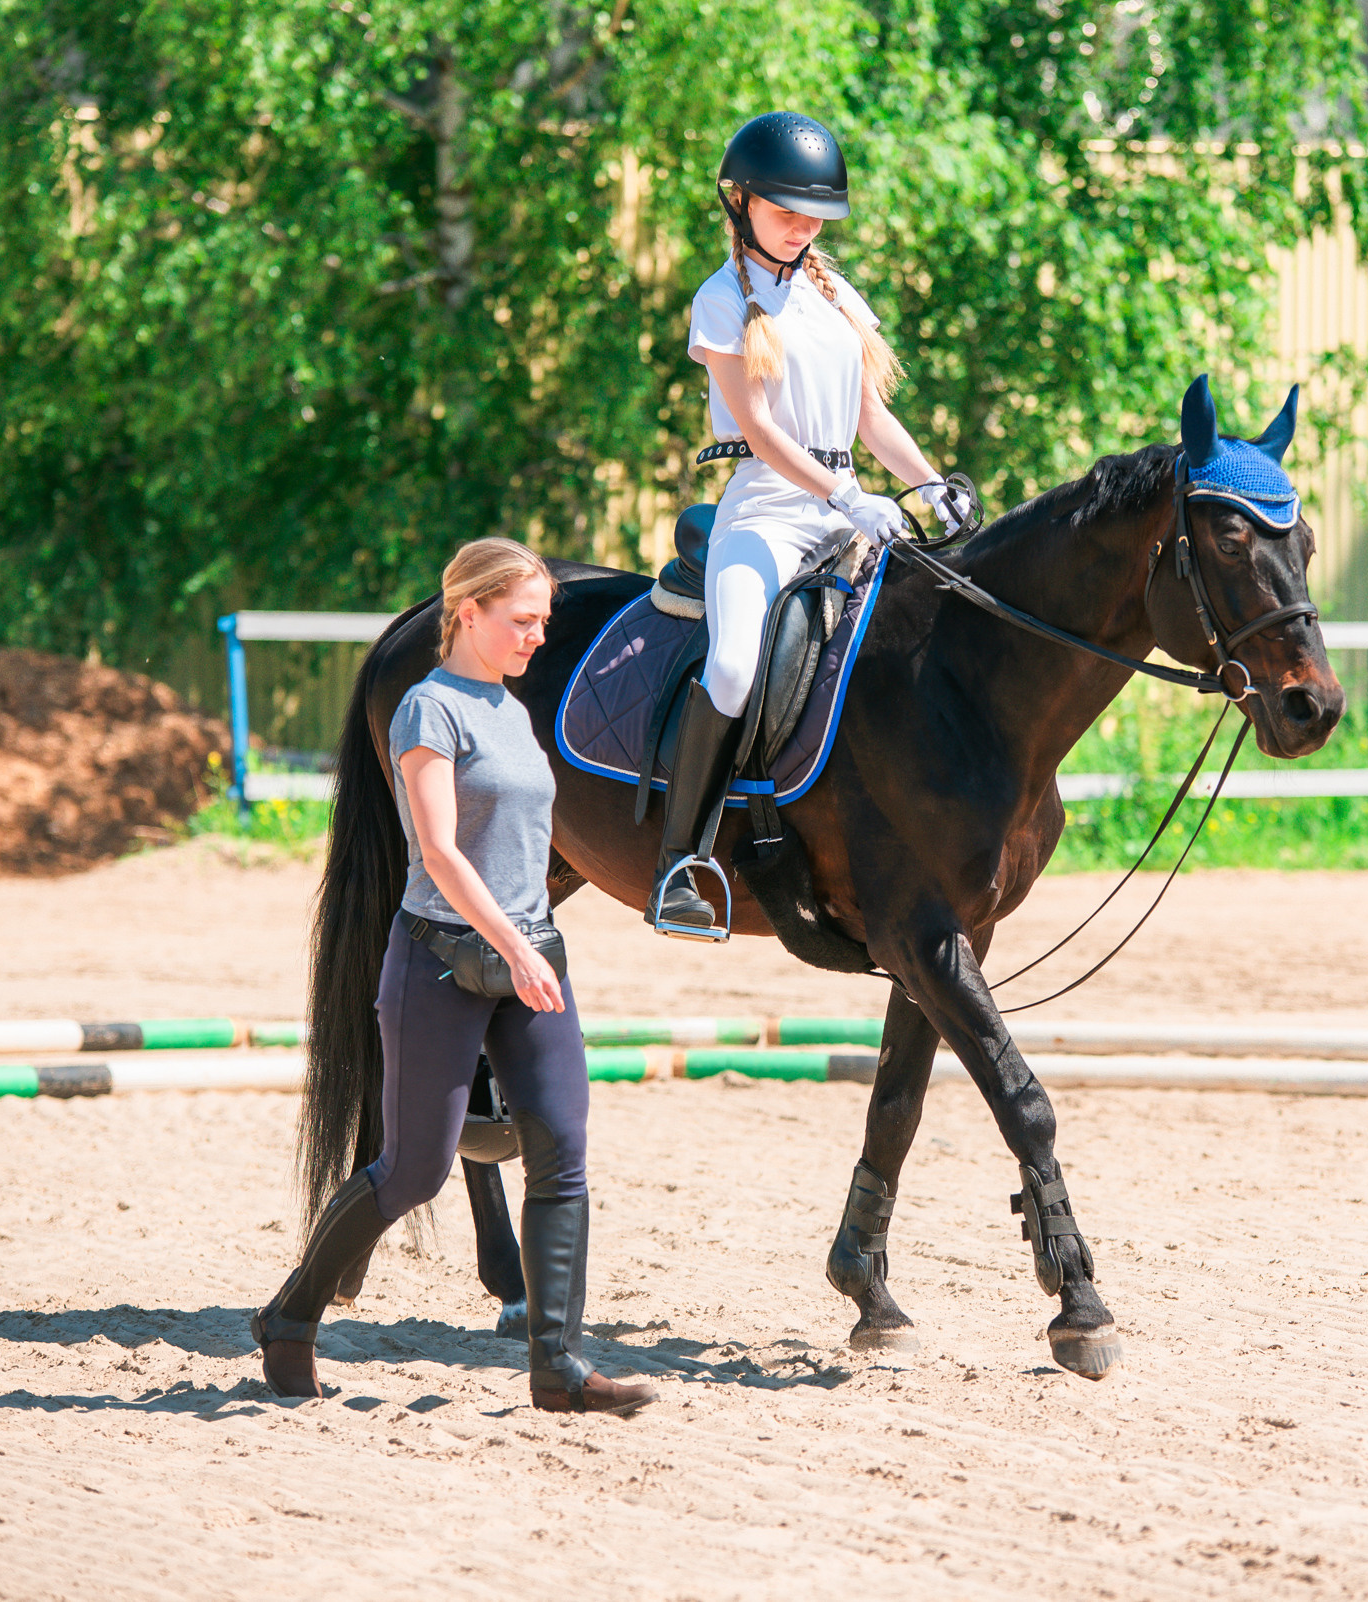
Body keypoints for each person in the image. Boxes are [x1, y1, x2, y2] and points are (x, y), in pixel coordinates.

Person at [253, 537, 657, 1415]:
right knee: (414, 1171)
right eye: (521, 621)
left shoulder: (515, 712)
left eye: (543, 623)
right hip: (441, 960)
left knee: (562, 1152)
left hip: (529, 957)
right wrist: (513, 945)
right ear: (466, 612)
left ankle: (557, 1365)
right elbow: (436, 848)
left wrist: (529, 945)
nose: (537, 639)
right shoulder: (428, 711)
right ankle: (290, 1315)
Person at [648, 111, 965, 937]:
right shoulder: (720, 301)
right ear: (740, 201)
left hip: (848, 512)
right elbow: (758, 431)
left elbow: (870, 417)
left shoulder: (834, 295)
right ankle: (680, 860)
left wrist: (929, 485)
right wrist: (842, 495)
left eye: (813, 215)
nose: (803, 227)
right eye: (786, 211)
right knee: (731, 663)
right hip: (765, 513)